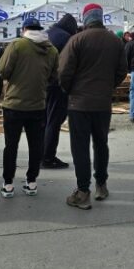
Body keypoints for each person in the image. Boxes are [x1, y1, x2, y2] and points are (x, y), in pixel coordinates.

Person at [59, 3, 127, 210]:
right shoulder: (115, 42)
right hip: (102, 103)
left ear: (86, 18)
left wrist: (70, 90)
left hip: (79, 103)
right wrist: (108, 87)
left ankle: (82, 191)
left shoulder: (76, 40)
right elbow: (122, 70)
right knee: (101, 144)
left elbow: (63, 72)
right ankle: (101, 185)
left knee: (80, 147)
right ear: (101, 18)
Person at [0, 17, 59, 198]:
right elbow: (54, 76)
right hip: (38, 105)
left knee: (11, 145)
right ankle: (31, 182)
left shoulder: (17, 45)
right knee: (35, 145)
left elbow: (2, 70)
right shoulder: (52, 49)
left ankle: (8, 184)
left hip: (14, 105)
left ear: (24, 28)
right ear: (40, 29)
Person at [41, 14, 78, 169]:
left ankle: (39, 154)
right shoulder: (66, 38)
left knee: (44, 121)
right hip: (57, 85)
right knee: (54, 122)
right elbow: (70, 64)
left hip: (41, 84)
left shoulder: (47, 34)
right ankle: (48, 158)